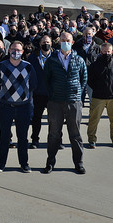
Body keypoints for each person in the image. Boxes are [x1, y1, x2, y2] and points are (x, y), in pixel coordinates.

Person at [43, 32, 88, 174]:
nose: (65, 42)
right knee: (54, 134)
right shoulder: (52, 60)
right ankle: (50, 162)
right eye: (63, 40)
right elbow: (46, 80)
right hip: (56, 101)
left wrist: (76, 94)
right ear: (59, 42)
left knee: (75, 134)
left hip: (73, 102)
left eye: (68, 40)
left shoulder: (79, 60)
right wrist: (53, 95)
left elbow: (83, 79)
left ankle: (78, 163)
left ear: (72, 42)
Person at [0, 41, 37, 173]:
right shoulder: (1, 66)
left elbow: (33, 84)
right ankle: (1, 164)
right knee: (4, 137)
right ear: (8, 50)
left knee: (22, 137)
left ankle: (24, 164)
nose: (15, 52)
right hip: (6, 106)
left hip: (23, 107)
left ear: (22, 52)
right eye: (13, 49)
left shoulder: (28, 67)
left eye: (18, 50)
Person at [87, 43, 113, 149]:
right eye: (104, 51)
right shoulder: (94, 65)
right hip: (98, 97)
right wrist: (97, 88)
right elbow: (90, 80)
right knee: (94, 119)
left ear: (112, 52)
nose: (106, 53)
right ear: (100, 52)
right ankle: (92, 140)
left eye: (108, 51)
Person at [27, 35, 53, 148]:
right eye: (43, 42)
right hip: (38, 93)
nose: (45, 44)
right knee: (36, 118)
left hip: (53, 93)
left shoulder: (57, 56)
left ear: (51, 44)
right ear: (40, 44)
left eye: (47, 42)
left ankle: (56, 140)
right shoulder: (33, 57)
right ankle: (34, 140)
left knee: (54, 120)